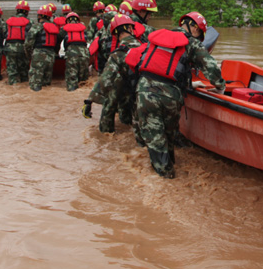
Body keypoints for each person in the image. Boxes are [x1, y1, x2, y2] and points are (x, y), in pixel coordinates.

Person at [130, 11, 224, 178]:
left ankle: (165, 177)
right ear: (194, 28)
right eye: (200, 33)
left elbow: (141, 58)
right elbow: (211, 67)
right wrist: (220, 87)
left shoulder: (158, 37)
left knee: (156, 143)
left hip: (145, 92)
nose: (199, 37)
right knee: (168, 138)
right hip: (170, 97)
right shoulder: (192, 43)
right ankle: (168, 180)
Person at [83, 13, 143, 132]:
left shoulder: (118, 53)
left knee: (109, 104)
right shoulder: (144, 47)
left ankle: (106, 135)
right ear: (131, 29)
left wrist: (89, 100)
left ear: (115, 33)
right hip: (141, 92)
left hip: (126, 91)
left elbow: (105, 79)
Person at [26, 4, 60, 91]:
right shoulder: (54, 27)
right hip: (51, 57)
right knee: (46, 84)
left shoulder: (37, 26)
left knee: (35, 84)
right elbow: (57, 44)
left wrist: (29, 56)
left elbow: (28, 44)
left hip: (39, 55)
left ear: (39, 16)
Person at [4, 0, 33, 85]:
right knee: (24, 72)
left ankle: (13, 85)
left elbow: (5, 33)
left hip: (9, 48)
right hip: (22, 49)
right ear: (27, 12)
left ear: (17, 10)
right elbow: (31, 36)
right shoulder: (30, 21)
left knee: (12, 72)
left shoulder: (9, 20)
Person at [60, 11, 89, 91]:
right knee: (84, 82)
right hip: (85, 55)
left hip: (71, 55)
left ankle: (72, 92)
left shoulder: (64, 28)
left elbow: (57, 40)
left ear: (67, 21)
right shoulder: (83, 28)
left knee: (72, 82)